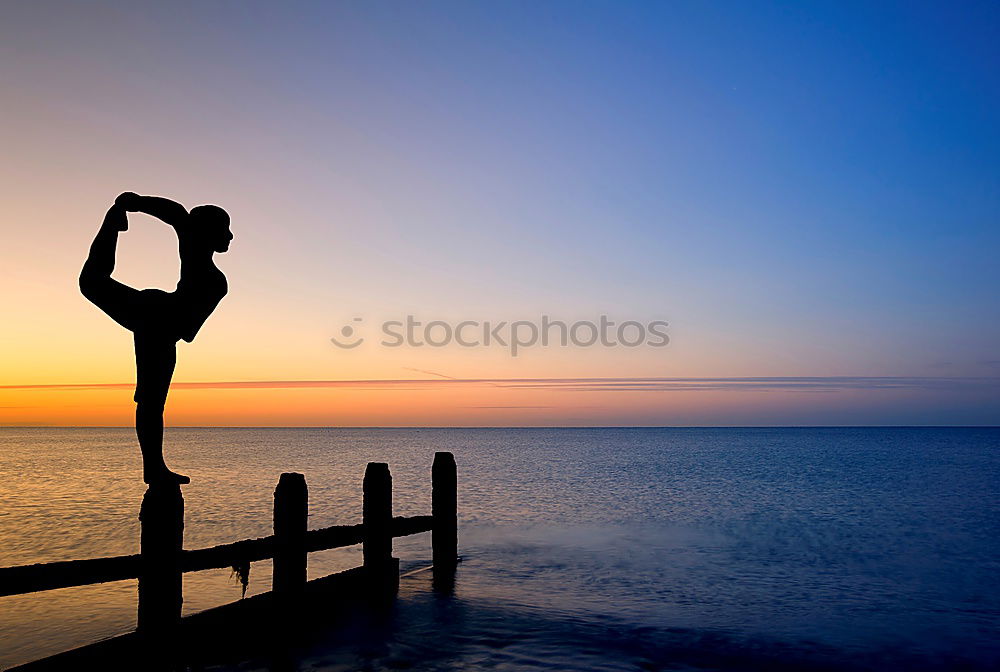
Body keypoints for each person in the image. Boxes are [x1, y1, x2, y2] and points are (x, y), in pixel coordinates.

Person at [80, 192, 232, 485]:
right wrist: (134, 202)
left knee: (152, 402)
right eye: (224, 228)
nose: (230, 235)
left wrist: (135, 203)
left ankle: (154, 467)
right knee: (91, 281)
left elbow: (188, 330)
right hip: (155, 317)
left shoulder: (213, 277)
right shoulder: (197, 251)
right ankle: (154, 468)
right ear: (207, 232)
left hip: (162, 325)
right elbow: (177, 213)